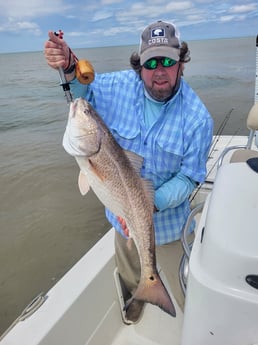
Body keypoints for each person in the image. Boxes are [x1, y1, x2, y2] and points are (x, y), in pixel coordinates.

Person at [44, 20, 213, 323]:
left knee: (186, 294)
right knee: (129, 275)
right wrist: (69, 63)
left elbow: (191, 176)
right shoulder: (120, 86)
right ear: (140, 66)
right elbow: (85, 90)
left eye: (167, 61)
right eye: (150, 62)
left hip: (171, 228)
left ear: (181, 64)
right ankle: (135, 306)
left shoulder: (198, 118)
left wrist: (151, 202)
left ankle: (189, 323)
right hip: (122, 223)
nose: (159, 70)